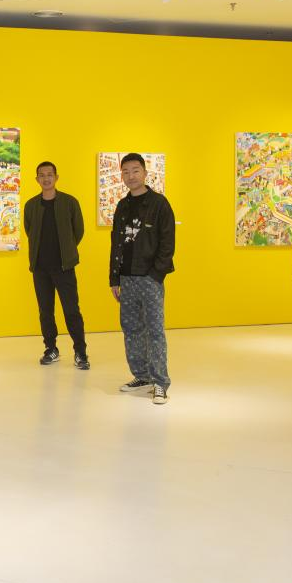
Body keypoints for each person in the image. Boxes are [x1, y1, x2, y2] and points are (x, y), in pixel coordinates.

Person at [109, 153, 175, 403]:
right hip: (126, 278)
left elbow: (168, 243)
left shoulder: (159, 204)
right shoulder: (122, 205)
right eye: (125, 172)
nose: (130, 176)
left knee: (155, 331)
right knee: (131, 329)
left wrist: (156, 274)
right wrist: (114, 278)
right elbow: (115, 243)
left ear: (145, 173)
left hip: (149, 278)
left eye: (135, 170)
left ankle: (160, 382)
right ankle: (142, 375)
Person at [22, 161, 89, 368]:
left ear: (56, 177)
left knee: (71, 310)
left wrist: (67, 250)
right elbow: (29, 231)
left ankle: (80, 352)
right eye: (41, 175)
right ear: (37, 179)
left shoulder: (70, 202)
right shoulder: (31, 205)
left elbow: (78, 231)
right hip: (40, 268)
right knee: (45, 312)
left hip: (64, 267)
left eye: (49, 174)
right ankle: (51, 349)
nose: (46, 178)